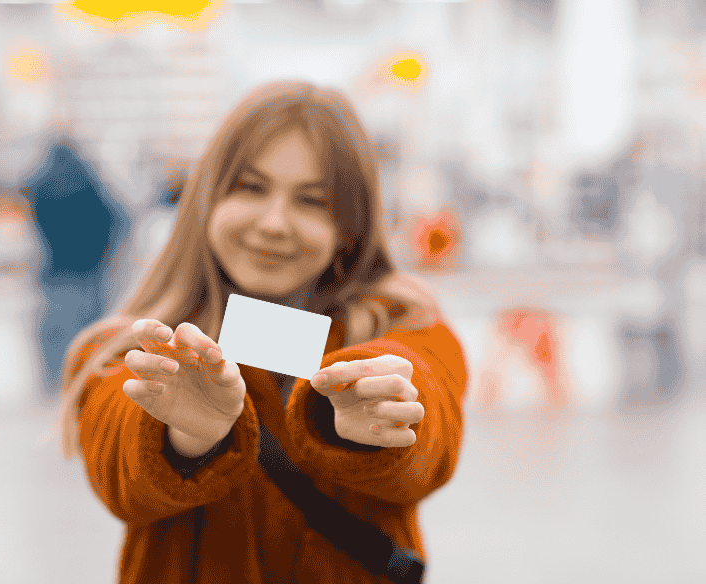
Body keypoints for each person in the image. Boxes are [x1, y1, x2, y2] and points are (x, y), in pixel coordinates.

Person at [58, 81, 468, 583]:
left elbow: (430, 406)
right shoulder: (126, 349)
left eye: (312, 201)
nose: (275, 223)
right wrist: (184, 434)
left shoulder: (408, 329)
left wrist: (385, 412)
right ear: (204, 199)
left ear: (350, 226)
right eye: (251, 188)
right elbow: (118, 475)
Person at [21, 138, 132, 398]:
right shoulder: (91, 187)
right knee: (89, 340)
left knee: (54, 340)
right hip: (92, 274)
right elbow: (121, 221)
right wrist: (109, 256)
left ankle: (55, 394)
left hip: (55, 274)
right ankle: (84, 391)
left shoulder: (42, 188)